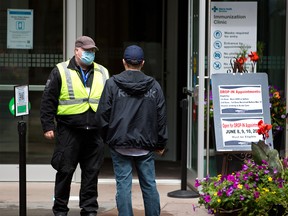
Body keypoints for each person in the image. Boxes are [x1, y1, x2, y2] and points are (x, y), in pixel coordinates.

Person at [40, 36, 109, 216]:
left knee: (91, 174)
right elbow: (48, 99)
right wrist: (48, 125)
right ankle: (60, 210)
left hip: (94, 133)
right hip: (69, 131)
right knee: (65, 172)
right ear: (76, 50)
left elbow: (110, 102)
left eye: (92, 51)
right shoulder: (61, 70)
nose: (90, 54)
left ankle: (89, 210)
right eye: (87, 50)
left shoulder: (102, 72)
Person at [95, 45, 168, 216]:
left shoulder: (112, 84)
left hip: (119, 144)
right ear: (142, 63)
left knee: (123, 186)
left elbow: (102, 115)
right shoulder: (154, 86)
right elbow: (161, 117)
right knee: (149, 185)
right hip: (146, 145)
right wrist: (161, 142)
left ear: (123, 62)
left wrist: (108, 138)